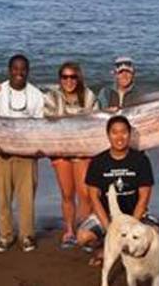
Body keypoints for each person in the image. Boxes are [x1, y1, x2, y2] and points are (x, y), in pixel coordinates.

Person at [0, 54, 46, 253]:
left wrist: (37, 149)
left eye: (23, 69)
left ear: (28, 71)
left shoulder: (36, 95)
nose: (19, 73)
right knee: (2, 197)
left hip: (27, 154)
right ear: (9, 70)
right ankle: (5, 235)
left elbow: (40, 125)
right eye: (15, 69)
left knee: (26, 197)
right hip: (1, 153)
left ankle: (27, 235)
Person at [78, 115, 155, 267]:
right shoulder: (98, 161)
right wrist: (110, 229)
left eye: (124, 132)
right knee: (83, 236)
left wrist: (132, 226)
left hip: (135, 215)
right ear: (108, 135)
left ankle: (125, 251)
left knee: (154, 235)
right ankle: (105, 249)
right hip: (107, 215)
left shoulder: (141, 160)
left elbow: (144, 198)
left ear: (130, 134)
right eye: (114, 132)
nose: (119, 137)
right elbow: (94, 197)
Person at [44, 61, 99, 249]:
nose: (69, 81)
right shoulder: (51, 96)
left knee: (85, 194)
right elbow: (47, 123)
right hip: (60, 150)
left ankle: (85, 230)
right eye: (65, 77)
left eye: (73, 77)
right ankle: (69, 230)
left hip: (82, 151)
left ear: (79, 78)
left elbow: (96, 123)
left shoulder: (89, 96)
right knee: (67, 193)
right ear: (60, 79)